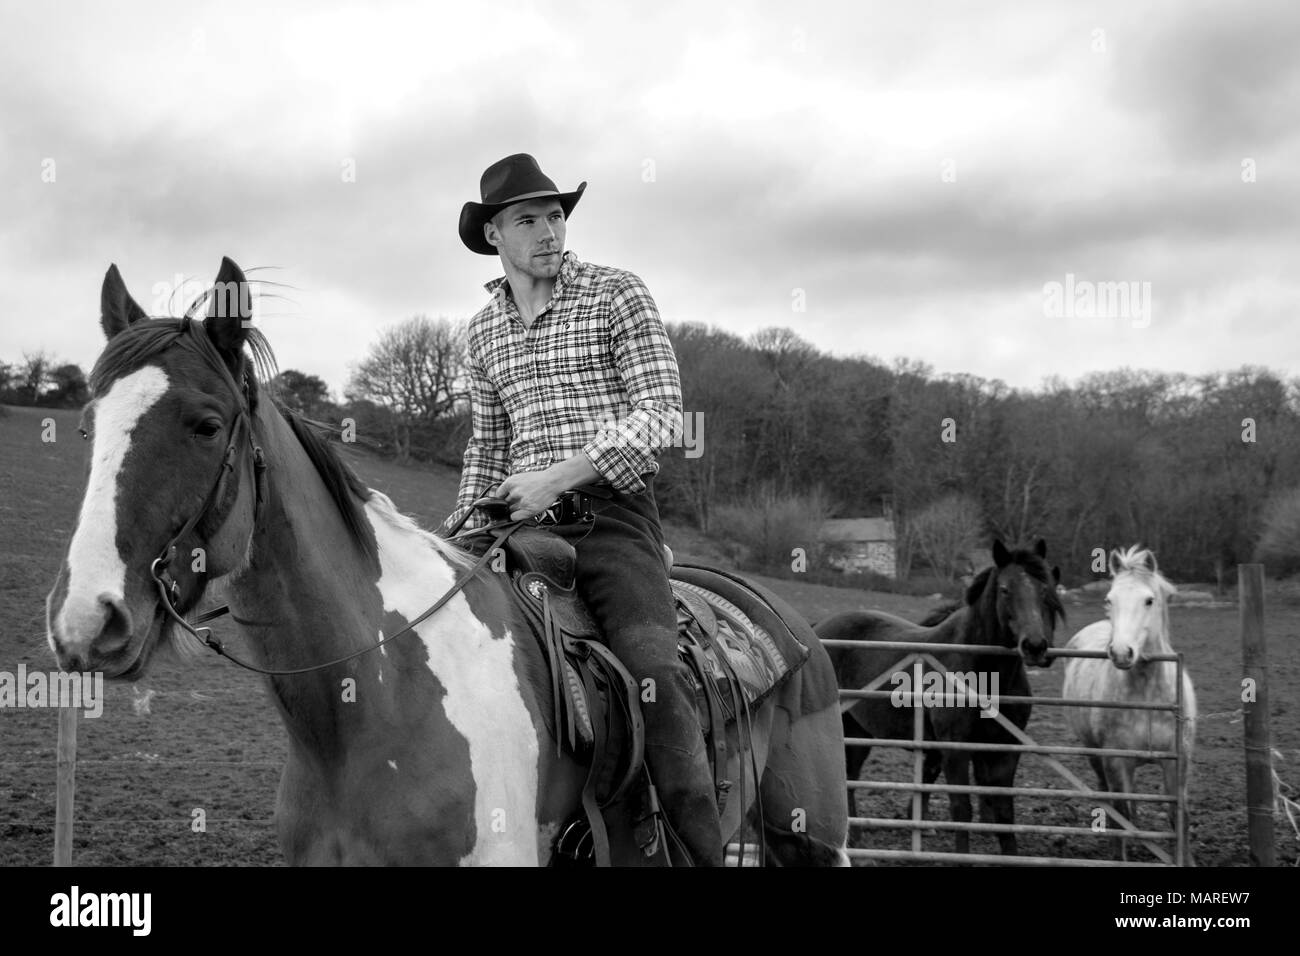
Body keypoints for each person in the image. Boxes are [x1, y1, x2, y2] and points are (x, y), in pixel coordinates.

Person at [440, 153, 723, 866]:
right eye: (527, 219)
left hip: (611, 519)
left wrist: (555, 480)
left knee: (654, 682)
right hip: (514, 525)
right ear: (494, 236)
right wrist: (451, 539)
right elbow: (488, 447)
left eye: (556, 214)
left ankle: (700, 850)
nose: (548, 230)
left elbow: (661, 413)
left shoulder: (616, 294)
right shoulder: (481, 334)